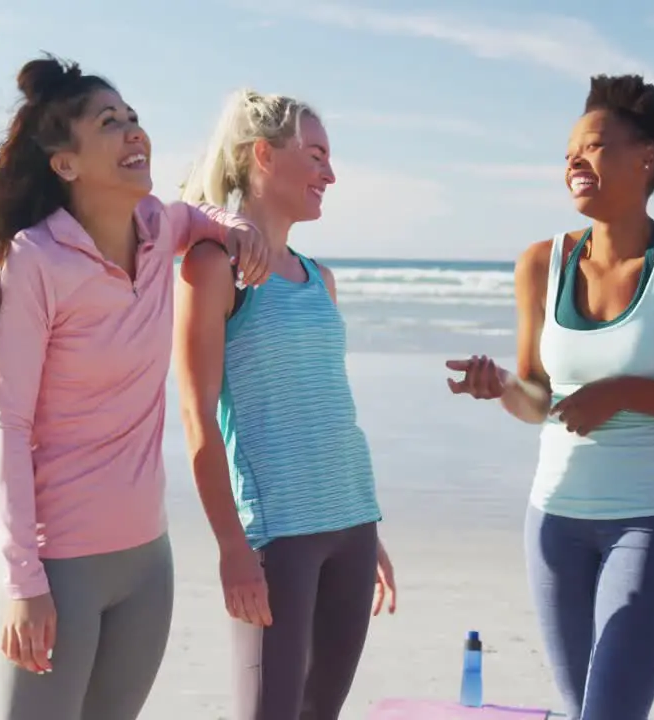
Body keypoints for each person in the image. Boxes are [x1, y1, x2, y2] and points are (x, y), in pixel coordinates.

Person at [0, 55, 269, 720]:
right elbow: (10, 425)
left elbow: (195, 217)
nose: (133, 132)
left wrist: (233, 227)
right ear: (66, 164)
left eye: (134, 118)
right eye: (109, 123)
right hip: (57, 565)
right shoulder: (35, 261)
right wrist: (24, 578)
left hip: (147, 562)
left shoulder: (156, 228)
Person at [445, 74, 654, 720]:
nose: (572, 163)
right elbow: (539, 400)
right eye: (567, 153)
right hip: (553, 522)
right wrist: (504, 385)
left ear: (645, 156)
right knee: (578, 708)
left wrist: (625, 392)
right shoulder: (541, 262)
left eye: (591, 146)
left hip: (650, 520)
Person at [173, 88, 397, 720]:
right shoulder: (212, 266)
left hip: (353, 526)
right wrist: (231, 545)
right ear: (265, 156)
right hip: (277, 538)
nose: (331, 173)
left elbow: (326, 402)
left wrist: (366, 529)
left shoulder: (319, 277)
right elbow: (197, 415)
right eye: (317, 155)